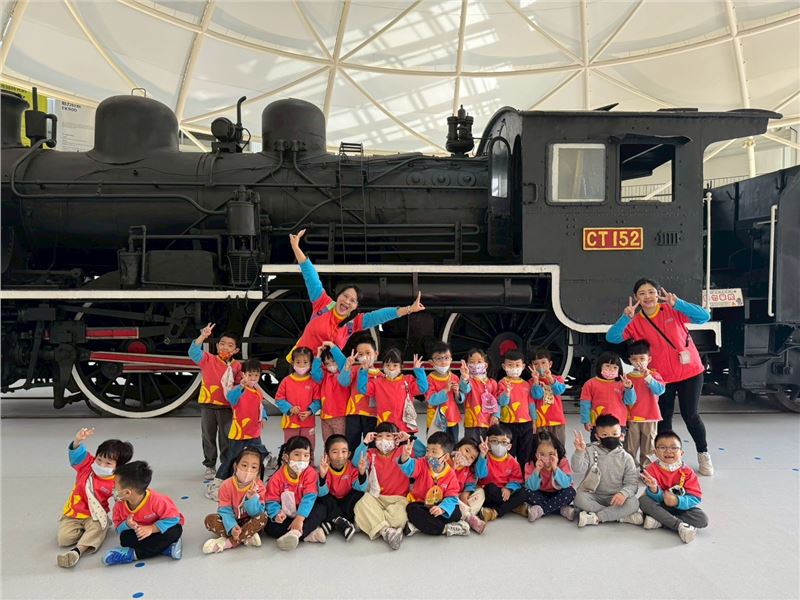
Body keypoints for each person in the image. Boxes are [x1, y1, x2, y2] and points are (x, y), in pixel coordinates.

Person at [606, 278, 714, 476]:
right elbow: (611, 337)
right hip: (660, 377)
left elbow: (704, 316)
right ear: (636, 297)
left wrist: (678, 303)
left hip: (690, 372)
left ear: (658, 294)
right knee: (664, 419)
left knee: (691, 415)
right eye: (642, 293)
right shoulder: (635, 321)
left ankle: (703, 453)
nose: (647, 297)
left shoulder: (672, 310)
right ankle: (666, 459)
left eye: (651, 292)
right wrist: (625, 318)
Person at [287, 229, 425, 360]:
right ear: (338, 296)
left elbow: (380, 316)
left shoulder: (354, 322)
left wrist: (409, 309)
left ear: (356, 306)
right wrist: (295, 247)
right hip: (300, 364)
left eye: (353, 300)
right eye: (345, 296)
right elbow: (311, 276)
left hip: (326, 371)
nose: (347, 301)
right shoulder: (323, 303)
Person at [57, 427, 133, 568]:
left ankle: (77, 551)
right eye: (99, 459)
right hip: (73, 512)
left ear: (118, 466)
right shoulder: (87, 464)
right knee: (64, 539)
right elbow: (76, 453)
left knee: (97, 528)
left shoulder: (117, 480)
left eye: (108, 463)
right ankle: (90, 532)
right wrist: (78, 440)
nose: (101, 464)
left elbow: (122, 499)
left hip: (95, 515)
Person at [352, 423, 423, 550]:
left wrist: (409, 437)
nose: (383, 440)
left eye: (388, 436)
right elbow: (355, 461)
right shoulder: (371, 453)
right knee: (360, 504)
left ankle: (371, 523)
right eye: (379, 436)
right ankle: (387, 531)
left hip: (399, 499)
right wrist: (365, 442)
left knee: (400, 518)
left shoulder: (403, 451)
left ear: (396, 438)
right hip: (377, 497)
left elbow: (422, 452)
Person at [207, 358, 270, 500]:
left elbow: (260, 407)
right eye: (250, 374)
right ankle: (217, 483)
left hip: (254, 432)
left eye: (256, 375)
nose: (253, 378)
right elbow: (231, 399)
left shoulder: (257, 391)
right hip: (239, 433)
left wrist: (264, 417)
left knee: (258, 454)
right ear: (243, 374)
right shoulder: (239, 390)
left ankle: (254, 481)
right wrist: (241, 387)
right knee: (232, 458)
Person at [188, 323, 242, 481]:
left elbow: (238, 386)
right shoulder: (208, 359)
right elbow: (193, 352)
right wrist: (202, 336)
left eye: (230, 345)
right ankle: (210, 465)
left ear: (236, 350)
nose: (225, 347)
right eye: (222, 344)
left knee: (226, 438)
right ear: (217, 346)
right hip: (208, 405)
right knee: (208, 436)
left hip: (226, 407)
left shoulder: (237, 366)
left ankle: (226, 464)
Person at [103, 461, 184, 565]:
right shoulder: (119, 506)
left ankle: (134, 555)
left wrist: (152, 528)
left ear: (127, 492)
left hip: (159, 531)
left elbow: (174, 518)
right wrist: (127, 524)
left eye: (115, 485)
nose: (112, 488)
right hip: (141, 534)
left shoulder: (158, 501)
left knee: (176, 530)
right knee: (125, 539)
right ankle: (165, 548)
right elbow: (118, 528)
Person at [571, 415, 642, 528]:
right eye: (604, 435)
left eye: (614, 434)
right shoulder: (589, 450)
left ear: (622, 435)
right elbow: (577, 469)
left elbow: (632, 483)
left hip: (616, 498)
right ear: (597, 436)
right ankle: (618, 516)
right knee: (579, 498)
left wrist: (623, 494)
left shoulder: (627, 458)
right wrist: (579, 452)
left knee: (633, 503)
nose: (610, 437)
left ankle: (596, 517)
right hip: (593, 495)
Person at [639, 430, 709, 544]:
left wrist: (677, 501)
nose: (668, 451)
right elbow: (652, 497)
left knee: (702, 519)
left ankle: (660, 522)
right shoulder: (651, 469)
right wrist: (654, 489)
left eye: (674, 448)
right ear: (655, 452)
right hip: (659, 505)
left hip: (679, 508)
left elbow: (695, 497)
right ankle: (679, 526)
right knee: (643, 501)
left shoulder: (688, 472)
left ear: (681, 453)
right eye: (662, 447)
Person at [263, 436, 328, 550]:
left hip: (305, 514)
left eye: (306, 455)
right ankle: (308, 534)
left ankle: (296, 533)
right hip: (287, 514)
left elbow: (309, 497)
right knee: (269, 527)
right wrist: (277, 514)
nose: (301, 459)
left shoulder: (310, 473)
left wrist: (300, 518)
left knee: (321, 509)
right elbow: (271, 500)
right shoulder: (277, 478)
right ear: (286, 457)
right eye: (297, 454)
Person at [399, 431, 467, 537]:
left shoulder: (450, 474)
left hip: (438, 504)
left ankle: (420, 525)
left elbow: (452, 496)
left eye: (434, 452)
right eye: (428, 450)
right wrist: (405, 457)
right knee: (412, 509)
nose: (429, 455)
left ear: (445, 457)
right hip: (421, 503)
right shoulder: (422, 463)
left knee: (456, 512)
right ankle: (445, 529)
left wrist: (442, 509)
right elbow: (409, 468)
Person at [202, 447, 268, 553]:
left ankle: (229, 542)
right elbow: (225, 510)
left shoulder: (259, 487)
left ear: (258, 471)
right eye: (244, 465)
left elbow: (257, 513)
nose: (248, 470)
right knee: (210, 520)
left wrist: (252, 499)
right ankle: (246, 537)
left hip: (249, 521)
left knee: (263, 518)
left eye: (254, 467)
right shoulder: (226, 485)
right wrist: (232, 527)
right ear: (235, 466)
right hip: (230, 520)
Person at [362, 348, 427, 434]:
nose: (391, 368)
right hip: (385, 427)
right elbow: (362, 389)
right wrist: (364, 372)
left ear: (401, 366)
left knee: (406, 443)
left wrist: (418, 370)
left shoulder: (408, 380)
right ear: (383, 366)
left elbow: (423, 388)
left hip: (405, 426)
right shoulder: (377, 382)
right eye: (387, 365)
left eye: (395, 365)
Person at [317, 434, 368, 541]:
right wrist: (322, 476)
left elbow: (360, 488)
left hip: (346, 502)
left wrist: (362, 473)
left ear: (349, 454)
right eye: (335, 452)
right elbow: (322, 493)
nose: (340, 456)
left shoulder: (352, 467)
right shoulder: (324, 468)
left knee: (359, 493)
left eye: (344, 451)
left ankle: (332, 522)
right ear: (327, 454)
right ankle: (341, 522)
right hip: (331, 501)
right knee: (321, 499)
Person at [625, 340, 665, 468]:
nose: (638, 362)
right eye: (634, 359)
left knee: (649, 447)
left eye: (642, 358)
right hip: (632, 417)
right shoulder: (627, 377)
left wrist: (648, 377)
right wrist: (629, 388)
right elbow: (628, 401)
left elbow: (659, 390)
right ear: (630, 360)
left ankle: (647, 469)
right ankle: (629, 468)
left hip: (650, 416)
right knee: (630, 446)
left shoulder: (654, 375)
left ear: (649, 359)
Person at [474, 424, 526, 521]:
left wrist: (509, 489)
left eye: (504, 442)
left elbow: (517, 480)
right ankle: (512, 507)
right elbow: (479, 475)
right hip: (490, 493)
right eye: (494, 441)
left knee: (523, 493)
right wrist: (482, 455)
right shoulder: (485, 457)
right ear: (488, 443)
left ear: (509, 446)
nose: (499, 445)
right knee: (490, 489)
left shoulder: (513, 462)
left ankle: (495, 512)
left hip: (505, 493)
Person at [276, 347, 321, 458]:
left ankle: (309, 465)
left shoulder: (313, 382)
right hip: (290, 423)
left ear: (311, 363)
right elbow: (279, 399)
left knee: (309, 446)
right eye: (298, 362)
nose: (301, 365)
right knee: (290, 446)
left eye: (305, 362)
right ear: (293, 363)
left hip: (308, 422)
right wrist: (290, 408)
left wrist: (310, 411)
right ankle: (289, 464)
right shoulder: (286, 381)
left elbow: (318, 401)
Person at [579, 352, 636, 440]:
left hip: (618, 423)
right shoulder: (590, 383)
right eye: (607, 366)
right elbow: (585, 404)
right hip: (597, 423)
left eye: (615, 367)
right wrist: (586, 421)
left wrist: (629, 388)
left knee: (617, 447)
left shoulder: (622, 383)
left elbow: (630, 401)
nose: (611, 369)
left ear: (619, 369)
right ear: (600, 366)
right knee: (597, 446)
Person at [340, 336, 382, 452]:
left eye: (368, 353)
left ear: (376, 354)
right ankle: (351, 462)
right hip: (354, 412)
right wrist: (347, 367)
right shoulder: (354, 369)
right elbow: (343, 382)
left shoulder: (382, 376)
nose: (365, 356)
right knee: (351, 442)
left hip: (373, 414)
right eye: (360, 354)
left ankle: (370, 462)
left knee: (371, 444)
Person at [522, 431, 576, 523]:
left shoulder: (562, 461)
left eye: (551, 453)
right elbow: (531, 487)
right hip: (540, 494)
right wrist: (537, 470)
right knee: (525, 492)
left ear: (556, 451)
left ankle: (541, 510)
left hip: (558, 493)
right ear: (535, 453)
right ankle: (560, 509)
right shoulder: (530, 464)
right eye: (542, 454)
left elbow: (566, 484)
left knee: (570, 492)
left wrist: (555, 468)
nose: (547, 458)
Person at [497, 350, 535, 466]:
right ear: (504, 366)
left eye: (517, 365)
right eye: (510, 365)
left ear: (523, 367)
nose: (514, 368)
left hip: (526, 423)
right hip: (507, 423)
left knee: (525, 453)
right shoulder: (502, 383)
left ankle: (523, 474)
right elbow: (501, 402)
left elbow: (531, 404)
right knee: (509, 453)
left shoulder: (526, 384)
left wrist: (534, 421)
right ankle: (510, 474)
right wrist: (507, 393)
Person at [425, 341, 465, 444]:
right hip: (435, 421)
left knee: (453, 446)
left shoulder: (454, 377)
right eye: (439, 359)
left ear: (451, 359)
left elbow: (460, 400)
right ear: (431, 362)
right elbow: (431, 400)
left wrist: (457, 392)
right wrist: (445, 390)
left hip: (452, 418)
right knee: (436, 446)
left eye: (446, 358)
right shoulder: (429, 379)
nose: (443, 362)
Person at [311, 341, 349, 441]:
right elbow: (314, 373)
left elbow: (343, 361)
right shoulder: (324, 376)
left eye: (333, 361)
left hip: (340, 416)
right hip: (325, 417)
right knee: (328, 443)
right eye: (327, 363)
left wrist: (333, 347)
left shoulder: (344, 373)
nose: (331, 365)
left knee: (340, 442)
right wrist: (318, 356)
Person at [529, 347, 568, 445]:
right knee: (541, 447)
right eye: (536, 364)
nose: (540, 366)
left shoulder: (558, 379)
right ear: (531, 366)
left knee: (558, 446)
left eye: (543, 363)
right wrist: (536, 381)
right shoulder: (531, 382)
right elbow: (537, 396)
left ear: (550, 364)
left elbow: (558, 391)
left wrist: (550, 378)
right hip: (540, 422)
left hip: (557, 421)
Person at [462, 348, 499, 441]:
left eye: (479, 361)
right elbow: (465, 390)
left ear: (485, 365)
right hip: (471, 423)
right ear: (467, 365)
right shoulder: (468, 381)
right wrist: (465, 378)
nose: (475, 364)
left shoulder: (492, 383)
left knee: (487, 447)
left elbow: (497, 401)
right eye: (472, 362)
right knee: (471, 446)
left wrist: (496, 415)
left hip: (489, 422)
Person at [451, 438, 487, 533]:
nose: (467, 457)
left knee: (480, 492)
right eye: (467, 450)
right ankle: (468, 517)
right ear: (458, 447)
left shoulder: (469, 470)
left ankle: (464, 518)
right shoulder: (446, 459)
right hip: (447, 495)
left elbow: (470, 484)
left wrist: (465, 495)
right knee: (451, 499)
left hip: (460, 497)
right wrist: (453, 467)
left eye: (472, 457)